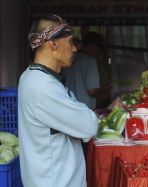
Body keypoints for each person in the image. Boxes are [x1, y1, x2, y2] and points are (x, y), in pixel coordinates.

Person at [18, 14, 98, 187]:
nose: (75, 49)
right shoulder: (42, 86)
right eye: (70, 42)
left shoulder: (37, 77)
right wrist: (88, 115)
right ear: (52, 44)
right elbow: (88, 127)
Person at [63, 31, 111, 110]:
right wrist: (107, 88)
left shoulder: (68, 59)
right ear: (92, 47)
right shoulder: (90, 61)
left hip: (68, 106)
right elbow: (92, 91)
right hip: (84, 109)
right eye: (98, 49)